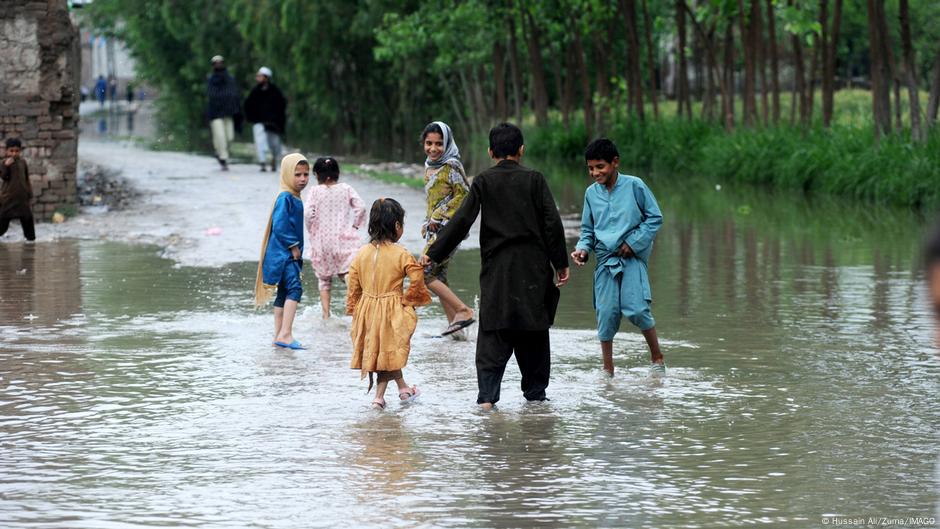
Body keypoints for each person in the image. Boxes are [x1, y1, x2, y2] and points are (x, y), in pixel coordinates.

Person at [424, 123, 570, 410]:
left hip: (497, 274)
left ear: (491, 152)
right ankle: (536, 399)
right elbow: (552, 223)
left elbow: (462, 220)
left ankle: (488, 401)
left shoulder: (484, 182)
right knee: (534, 334)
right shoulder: (535, 179)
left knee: (492, 334)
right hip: (533, 272)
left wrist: (434, 252)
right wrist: (560, 263)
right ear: (521, 150)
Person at [571, 138, 665, 377]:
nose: (595, 173)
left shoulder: (635, 186)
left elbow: (655, 217)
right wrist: (582, 249)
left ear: (615, 162)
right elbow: (588, 230)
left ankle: (657, 358)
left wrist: (633, 243)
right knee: (606, 313)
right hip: (605, 261)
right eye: (591, 168)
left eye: (600, 167)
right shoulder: (591, 194)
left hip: (632, 258)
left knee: (636, 309)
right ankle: (607, 370)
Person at [346, 198, 431, 410]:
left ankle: (403, 389)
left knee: (381, 351)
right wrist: (410, 300)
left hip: (367, 308)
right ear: (396, 226)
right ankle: (379, 398)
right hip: (392, 307)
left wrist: (354, 308)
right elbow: (417, 276)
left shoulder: (361, 253)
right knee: (386, 351)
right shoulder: (401, 253)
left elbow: (353, 285)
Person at [419, 121, 476, 338]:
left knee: (424, 273)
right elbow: (431, 201)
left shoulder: (452, 166)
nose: (433, 148)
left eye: (439, 144)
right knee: (439, 276)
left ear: (447, 144)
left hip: (451, 230)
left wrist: (437, 216)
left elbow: (464, 197)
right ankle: (455, 328)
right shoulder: (428, 166)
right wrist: (427, 222)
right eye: (429, 143)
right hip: (435, 231)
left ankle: (463, 310)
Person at [255, 153, 310, 350]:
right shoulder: (285, 197)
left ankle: (278, 335)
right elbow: (280, 225)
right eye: (297, 174)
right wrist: (293, 246)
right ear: (287, 174)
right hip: (285, 254)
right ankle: (286, 334)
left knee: (284, 291)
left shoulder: (293, 197)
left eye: (305, 174)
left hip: (285, 254)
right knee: (295, 289)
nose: (302, 179)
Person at [304, 157, 366, 319]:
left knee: (324, 280)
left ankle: (325, 316)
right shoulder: (346, 189)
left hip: (322, 242)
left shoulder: (314, 191)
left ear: (316, 174)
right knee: (346, 273)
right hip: (344, 239)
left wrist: (312, 231)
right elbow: (361, 207)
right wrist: (355, 226)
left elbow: (307, 213)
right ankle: (356, 305)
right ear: (337, 173)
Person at [244, 66, 287, 173]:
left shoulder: (275, 92)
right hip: (259, 122)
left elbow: (281, 106)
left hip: (273, 123)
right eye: (257, 76)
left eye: (260, 76)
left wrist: (278, 121)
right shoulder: (255, 91)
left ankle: (274, 160)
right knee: (260, 142)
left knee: (274, 144)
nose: (258, 78)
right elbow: (248, 105)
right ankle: (262, 162)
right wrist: (252, 118)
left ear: (266, 77)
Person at [206, 55, 241, 171]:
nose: (218, 65)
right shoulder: (211, 80)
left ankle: (219, 152)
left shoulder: (229, 79)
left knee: (229, 137)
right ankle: (223, 158)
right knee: (220, 136)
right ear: (213, 65)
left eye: (220, 62)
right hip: (216, 113)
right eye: (216, 63)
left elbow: (234, 94)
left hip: (228, 112)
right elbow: (212, 95)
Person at [0, 138, 35, 242]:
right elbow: (3, 177)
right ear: (6, 151)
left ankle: (30, 241)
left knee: (27, 219)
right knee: (2, 221)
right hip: (8, 199)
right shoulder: (3, 163)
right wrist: (6, 166)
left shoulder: (23, 162)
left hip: (22, 199)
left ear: (20, 151)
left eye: (17, 151)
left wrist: (29, 194)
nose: (14, 153)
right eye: (11, 151)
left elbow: (27, 178)